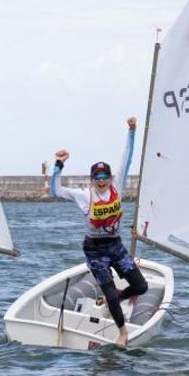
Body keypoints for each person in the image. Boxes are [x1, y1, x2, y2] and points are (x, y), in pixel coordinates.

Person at [50, 117, 148, 347]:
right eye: (97, 177)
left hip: (115, 245)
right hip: (95, 250)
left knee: (141, 287)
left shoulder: (117, 188)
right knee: (111, 292)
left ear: (111, 178)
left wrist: (132, 131)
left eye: (105, 177)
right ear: (92, 179)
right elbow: (55, 190)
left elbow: (128, 158)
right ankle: (122, 332)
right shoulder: (85, 195)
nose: (101, 181)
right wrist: (58, 164)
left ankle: (111, 298)